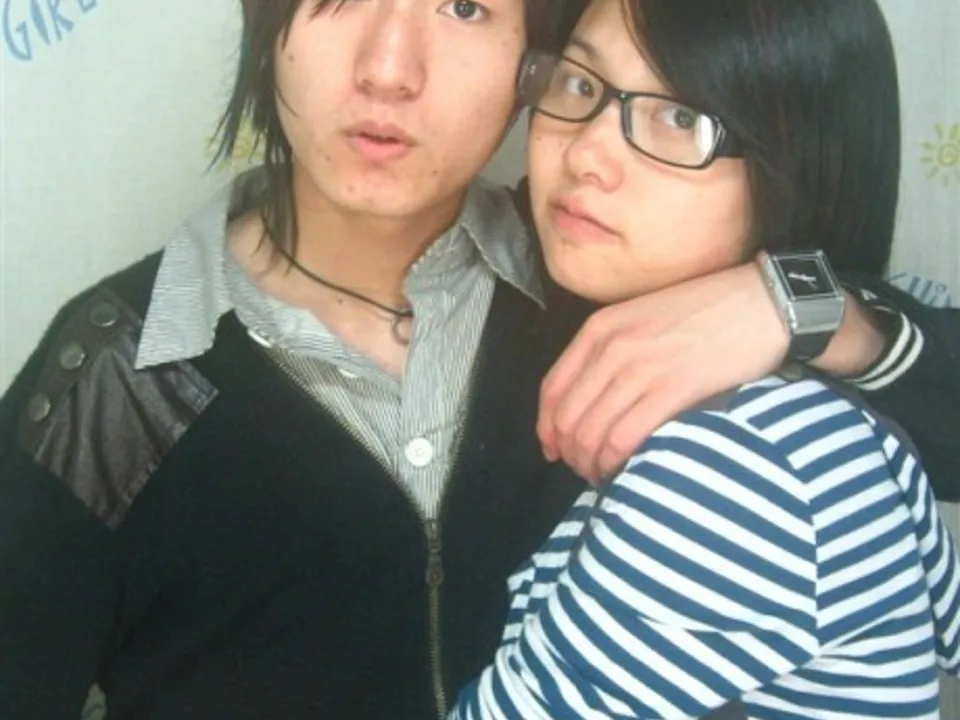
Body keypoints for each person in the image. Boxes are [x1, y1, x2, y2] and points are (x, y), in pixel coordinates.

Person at [0, 0, 956, 718]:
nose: (388, 68)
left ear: (529, 56)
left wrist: (795, 304)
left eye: (464, 5)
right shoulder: (118, 380)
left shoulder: (596, 278)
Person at [451, 0, 960, 718]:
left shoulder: (742, 464)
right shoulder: (507, 268)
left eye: (682, 117)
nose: (586, 153)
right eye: (579, 82)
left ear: (805, 163)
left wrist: (792, 300)